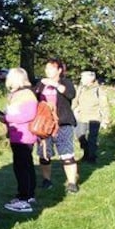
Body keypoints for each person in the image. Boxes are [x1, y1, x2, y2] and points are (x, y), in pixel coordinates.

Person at [34, 58, 79, 193]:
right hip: (44, 125)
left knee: (66, 154)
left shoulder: (65, 82)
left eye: (51, 68)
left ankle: (72, 183)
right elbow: (32, 97)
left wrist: (55, 84)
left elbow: (71, 94)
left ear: (59, 70)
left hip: (63, 123)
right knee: (44, 154)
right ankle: (47, 180)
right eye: (46, 68)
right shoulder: (41, 84)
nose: (47, 71)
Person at [0, 68, 39, 213]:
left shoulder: (26, 94)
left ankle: (24, 199)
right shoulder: (20, 94)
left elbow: (27, 115)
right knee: (26, 165)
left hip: (24, 135)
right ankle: (28, 195)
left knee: (22, 167)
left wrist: (7, 118)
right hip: (18, 134)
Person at [72, 71, 110, 164]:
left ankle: (91, 158)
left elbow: (104, 105)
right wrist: (70, 111)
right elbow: (75, 101)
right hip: (81, 117)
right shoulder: (80, 88)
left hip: (94, 118)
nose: (81, 80)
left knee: (92, 138)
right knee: (80, 135)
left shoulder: (98, 90)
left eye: (83, 78)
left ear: (90, 79)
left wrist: (106, 119)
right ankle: (87, 152)